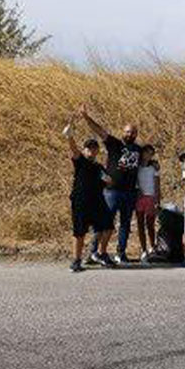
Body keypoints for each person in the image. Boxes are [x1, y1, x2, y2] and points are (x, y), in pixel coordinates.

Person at [80, 106, 142, 264]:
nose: (130, 134)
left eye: (133, 132)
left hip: (129, 192)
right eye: (127, 131)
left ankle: (120, 253)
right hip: (112, 191)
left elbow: (146, 163)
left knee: (125, 224)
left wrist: (154, 164)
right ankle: (93, 253)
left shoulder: (138, 150)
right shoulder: (115, 144)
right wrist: (86, 118)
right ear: (123, 132)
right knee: (104, 222)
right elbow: (100, 131)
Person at [64, 120, 114, 272]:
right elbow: (74, 150)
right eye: (89, 148)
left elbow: (109, 182)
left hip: (98, 201)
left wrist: (108, 181)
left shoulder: (98, 167)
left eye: (94, 149)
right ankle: (76, 260)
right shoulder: (81, 161)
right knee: (79, 232)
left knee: (108, 227)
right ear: (85, 150)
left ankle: (102, 253)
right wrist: (69, 136)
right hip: (81, 202)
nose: (92, 151)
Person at [136, 144, 160, 261]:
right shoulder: (137, 167)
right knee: (140, 224)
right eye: (146, 152)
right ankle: (143, 249)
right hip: (140, 198)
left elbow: (157, 184)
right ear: (142, 153)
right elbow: (134, 180)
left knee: (150, 224)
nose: (148, 155)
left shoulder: (154, 168)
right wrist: (138, 189)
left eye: (151, 153)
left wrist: (157, 199)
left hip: (151, 197)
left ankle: (152, 247)